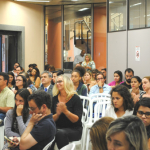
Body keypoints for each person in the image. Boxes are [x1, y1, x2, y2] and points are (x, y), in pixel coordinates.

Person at [50, 75, 83, 149]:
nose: (57, 83)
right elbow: (50, 119)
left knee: (60, 134)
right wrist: (57, 114)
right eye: (56, 82)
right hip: (58, 128)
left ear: (67, 83)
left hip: (74, 129)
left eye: (60, 81)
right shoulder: (54, 99)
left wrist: (66, 111)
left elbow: (77, 120)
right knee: (48, 131)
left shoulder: (75, 98)